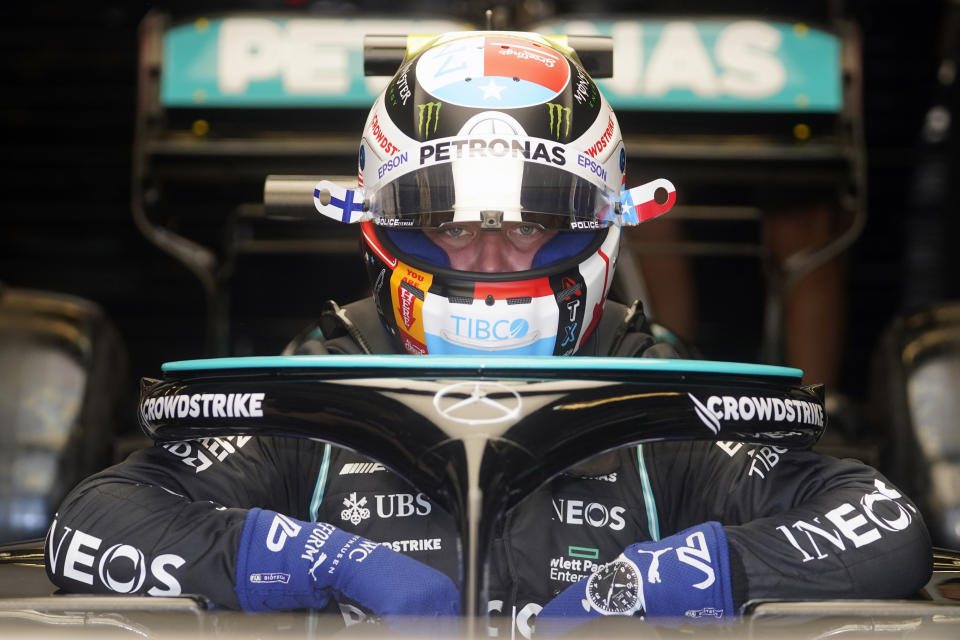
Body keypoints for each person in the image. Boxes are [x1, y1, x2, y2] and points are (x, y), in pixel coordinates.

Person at [44, 30, 931, 637]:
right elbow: (89, 523)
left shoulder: (663, 391)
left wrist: (665, 581)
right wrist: (309, 554)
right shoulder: (319, 381)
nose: (495, 257)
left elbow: (885, 528)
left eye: (534, 222)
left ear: (606, 221)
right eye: (452, 224)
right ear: (379, 224)